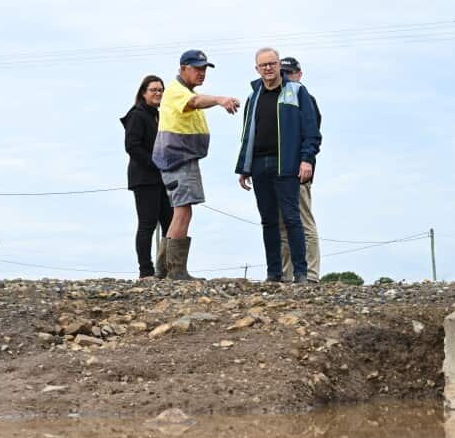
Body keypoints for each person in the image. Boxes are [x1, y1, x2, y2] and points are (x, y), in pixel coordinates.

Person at [152, 50, 241, 281]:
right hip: (178, 159)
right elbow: (195, 102)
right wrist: (220, 100)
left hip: (179, 159)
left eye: (204, 69)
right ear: (183, 68)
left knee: (180, 212)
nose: (202, 73)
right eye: (197, 68)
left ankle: (163, 269)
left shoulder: (182, 91)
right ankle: (176, 271)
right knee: (183, 211)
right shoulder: (177, 91)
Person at [234, 48, 321, 283]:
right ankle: (274, 273)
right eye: (263, 65)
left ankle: (302, 273)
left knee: (293, 219)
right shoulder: (254, 97)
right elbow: (247, 133)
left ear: (278, 65)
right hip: (260, 164)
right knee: (268, 221)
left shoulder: (297, 92)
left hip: (288, 164)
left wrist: (307, 159)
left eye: (272, 63)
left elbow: (311, 130)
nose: (268, 68)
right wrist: (244, 166)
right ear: (257, 69)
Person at [277, 56, 322, 283]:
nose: (286, 77)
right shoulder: (280, 100)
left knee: (303, 220)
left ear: (299, 74)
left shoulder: (306, 99)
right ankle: (286, 274)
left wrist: (307, 161)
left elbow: (312, 135)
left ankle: (311, 274)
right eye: (282, 72)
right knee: (283, 224)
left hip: (300, 170)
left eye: (290, 72)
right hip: (280, 171)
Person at [123, 75, 172, 278]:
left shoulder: (158, 115)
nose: (158, 93)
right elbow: (132, 146)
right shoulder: (137, 115)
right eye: (153, 89)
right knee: (147, 223)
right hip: (144, 178)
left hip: (162, 178)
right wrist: (155, 165)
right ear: (143, 92)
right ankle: (146, 271)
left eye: (161, 89)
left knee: (169, 221)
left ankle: (167, 268)